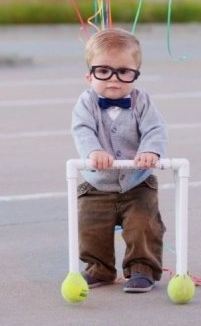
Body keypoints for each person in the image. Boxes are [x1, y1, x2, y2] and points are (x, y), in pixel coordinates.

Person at [71, 28, 168, 293]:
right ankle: (99, 267)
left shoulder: (142, 101)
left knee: (143, 225)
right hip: (97, 183)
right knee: (91, 227)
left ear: (136, 73)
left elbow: (155, 129)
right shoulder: (86, 102)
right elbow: (82, 130)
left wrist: (149, 151)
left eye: (124, 71)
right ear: (89, 76)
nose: (114, 79)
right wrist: (93, 152)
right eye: (104, 71)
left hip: (136, 181)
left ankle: (142, 269)